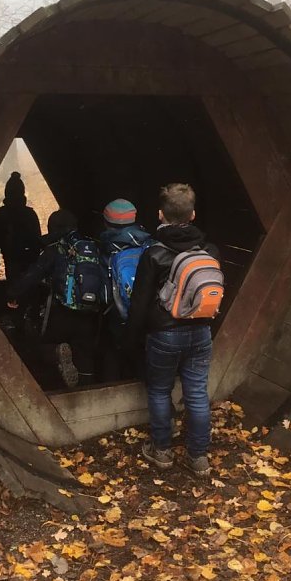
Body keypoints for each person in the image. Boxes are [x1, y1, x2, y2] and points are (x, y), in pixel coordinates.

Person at [126, 183, 219, 476]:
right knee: (196, 393)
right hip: (201, 331)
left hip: (164, 334)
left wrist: (131, 336)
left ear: (160, 214)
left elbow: (139, 302)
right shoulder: (209, 249)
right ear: (192, 214)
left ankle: (162, 451)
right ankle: (198, 456)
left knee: (159, 390)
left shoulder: (153, 254)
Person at [7, 209, 102, 388]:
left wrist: (13, 294)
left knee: (41, 344)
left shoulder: (54, 250)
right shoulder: (92, 247)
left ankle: (57, 353)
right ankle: (88, 394)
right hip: (89, 314)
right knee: (85, 355)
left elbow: (31, 276)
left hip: (61, 313)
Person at [98, 198, 152, 380]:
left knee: (113, 351)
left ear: (106, 222)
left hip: (120, 317)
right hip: (150, 315)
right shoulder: (148, 243)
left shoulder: (108, 248)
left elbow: (105, 295)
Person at [0, 172, 41, 284]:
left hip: (10, 255)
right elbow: (37, 238)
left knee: (13, 285)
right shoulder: (30, 214)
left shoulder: (1, 214)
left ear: (7, 193)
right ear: (22, 192)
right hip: (28, 256)